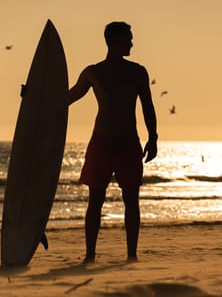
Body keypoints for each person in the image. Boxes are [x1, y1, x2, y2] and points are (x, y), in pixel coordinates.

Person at [68, 21, 158, 264]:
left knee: (131, 199)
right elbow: (68, 97)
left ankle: (131, 255)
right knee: (95, 200)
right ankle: (89, 256)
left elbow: (147, 105)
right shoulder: (93, 72)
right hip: (102, 142)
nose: (131, 43)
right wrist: (34, 95)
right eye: (128, 38)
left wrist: (153, 137)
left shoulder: (138, 71)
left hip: (129, 142)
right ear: (114, 41)